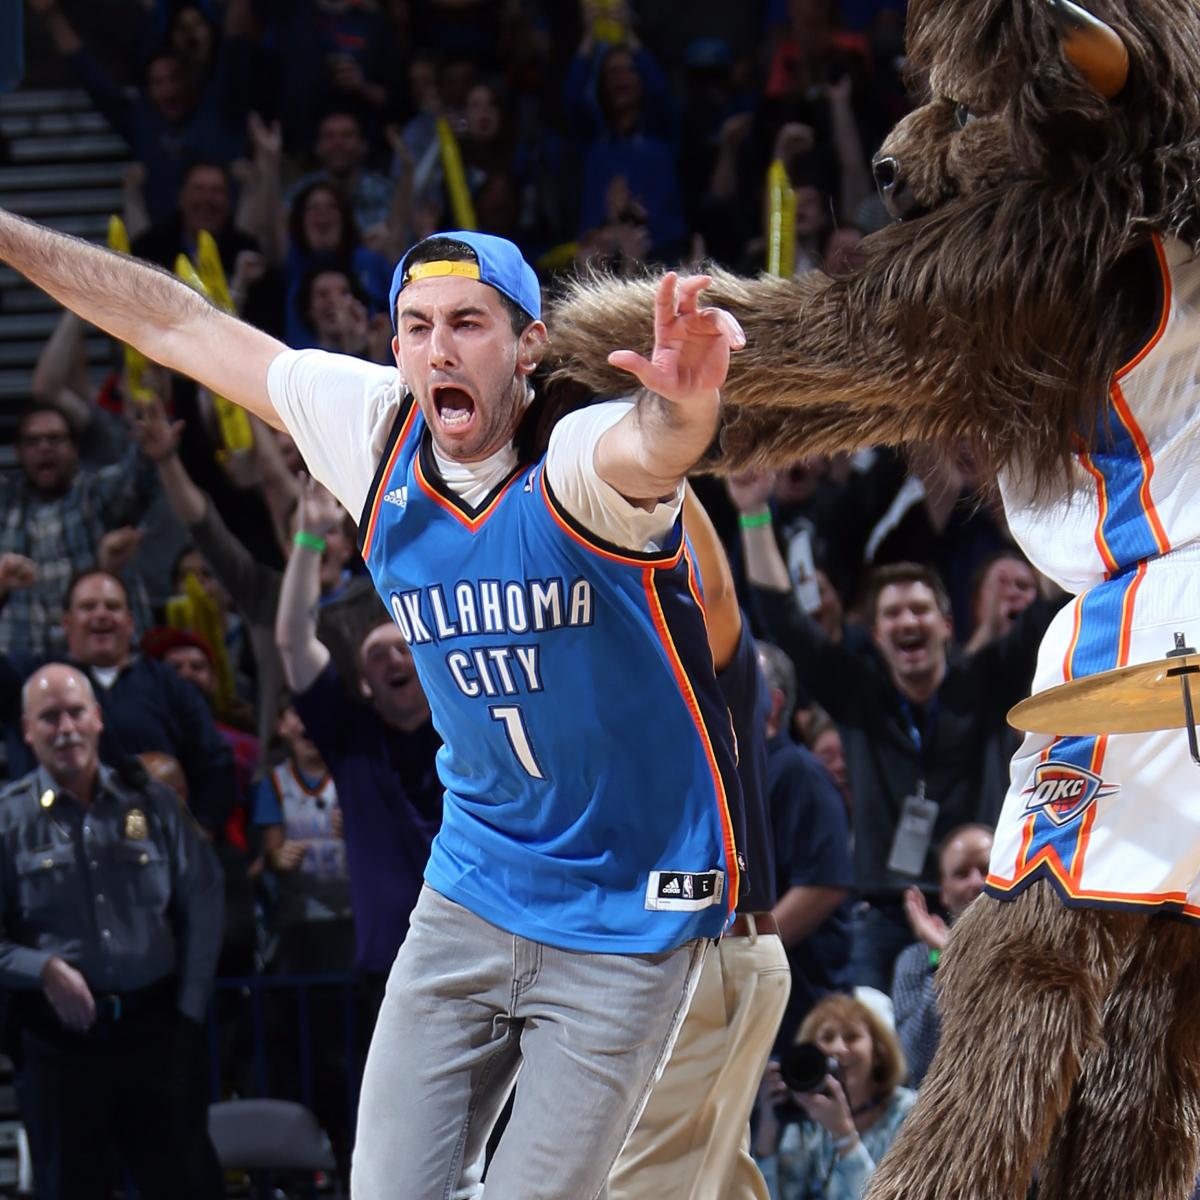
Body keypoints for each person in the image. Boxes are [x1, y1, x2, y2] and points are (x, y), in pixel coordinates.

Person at [0, 210, 745, 1198]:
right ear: (394, 346)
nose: (441, 346)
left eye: (470, 324)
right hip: (476, 881)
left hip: (630, 902)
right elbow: (176, 325)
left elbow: (645, 446)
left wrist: (687, 411)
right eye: (419, 325)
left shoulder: (573, 455)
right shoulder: (371, 424)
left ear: (529, 345)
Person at [728, 471, 1054, 993]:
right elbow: (783, 617)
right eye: (894, 613)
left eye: (920, 609)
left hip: (980, 901)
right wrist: (752, 511)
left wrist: (1032, 509)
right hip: (881, 911)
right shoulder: (860, 696)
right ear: (876, 634)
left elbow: (1047, 608)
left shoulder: (989, 682)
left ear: (947, 626)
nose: (909, 620)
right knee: (872, 1046)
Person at [608, 489, 790, 1200]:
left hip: (701, 959)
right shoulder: (605, 697)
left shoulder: (706, 665)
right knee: (719, 1182)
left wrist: (662, 464)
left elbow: (712, 587)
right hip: (710, 957)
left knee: (634, 1186)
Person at [0, 663, 224, 1200]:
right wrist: (43, 969)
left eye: (76, 712)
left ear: (98, 719)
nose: (66, 728)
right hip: (60, 1049)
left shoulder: (153, 802)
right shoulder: (7, 820)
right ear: (27, 730)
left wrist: (189, 1015)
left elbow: (204, 904)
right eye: (49, 717)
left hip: (156, 1035)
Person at [0, 570, 237, 838]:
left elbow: (215, 762)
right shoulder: (34, 678)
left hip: (154, 850)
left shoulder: (167, 683)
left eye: (112, 606)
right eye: (88, 607)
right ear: (66, 622)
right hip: (56, 847)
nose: (101, 614)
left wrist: (200, 831)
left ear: (130, 622)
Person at [0, 403, 158, 658]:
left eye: (55, 438)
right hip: (22, 663)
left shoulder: (95, 493)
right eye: (33, 441)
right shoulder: (5, 505)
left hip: (104, 664)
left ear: (74, 447)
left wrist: (147, 404)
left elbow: (137, 473)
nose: (44, 447)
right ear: (18, 452)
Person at [755, 640, 854, 1045]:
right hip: (758, 1000)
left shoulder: (799, 772)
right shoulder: (734, 775)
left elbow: (822, 887)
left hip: (807, 1010)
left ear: (774, 704)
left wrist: (742, 955)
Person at [754, 993, 916, 1200]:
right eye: (827, 1038)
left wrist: (844, 1135)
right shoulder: (808, 1112)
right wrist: (769, 1126)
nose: (838, 1049)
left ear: (878, 1053)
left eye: (852, 1037)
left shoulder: (908, 1112)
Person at [891, 823, 993, 1088]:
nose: (977, 882)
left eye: (986, 869)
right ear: (944, 891)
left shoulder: (1036, 948)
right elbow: (916, 1061)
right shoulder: (918, 960)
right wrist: (945, 958)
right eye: (961, 874)